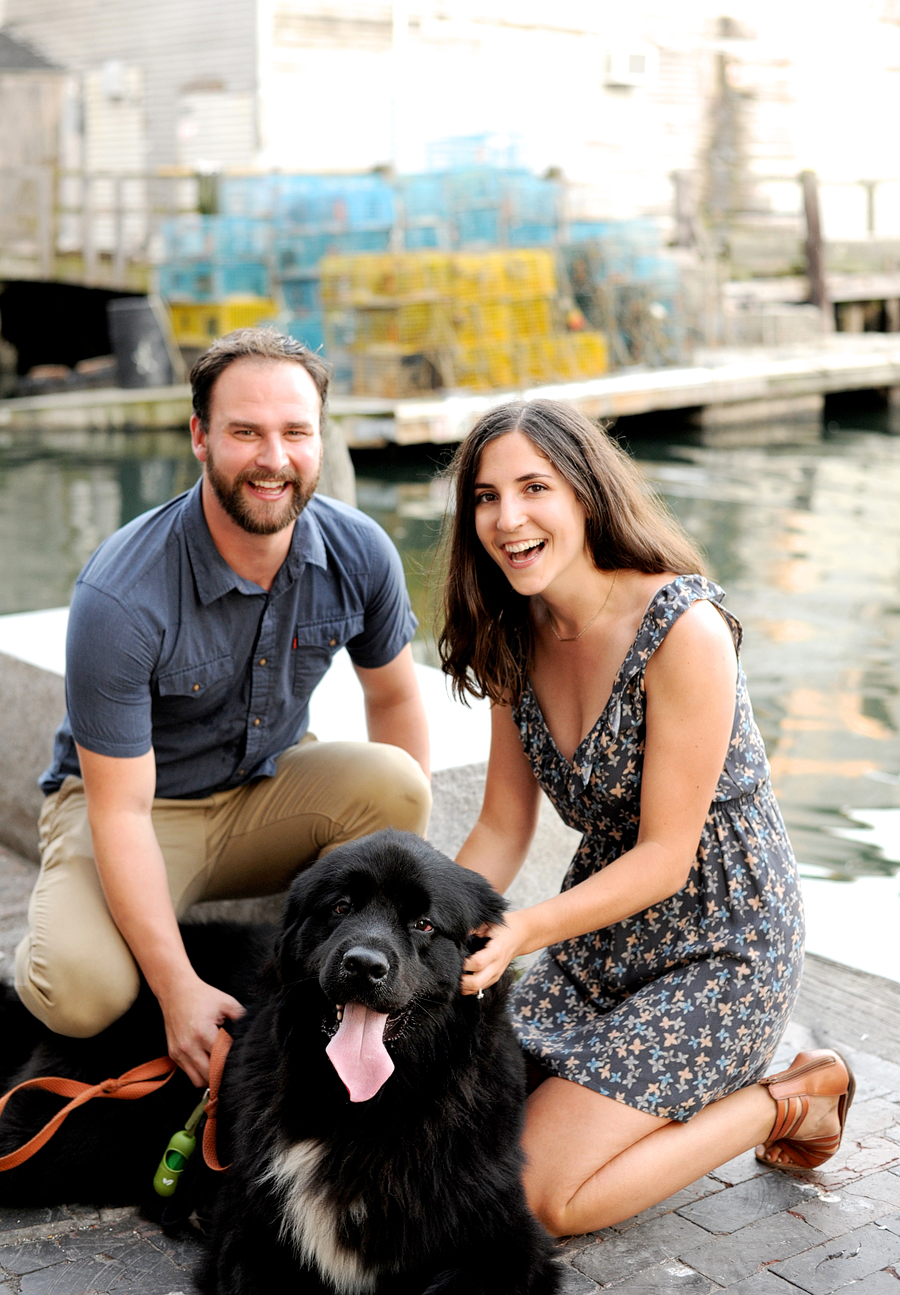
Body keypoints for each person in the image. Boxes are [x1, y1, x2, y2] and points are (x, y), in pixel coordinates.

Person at [438, 398, 854, 1236]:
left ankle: (794, 1095)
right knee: (452, 1132)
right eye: (486, 496)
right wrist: (425, 932)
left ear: (586, 494)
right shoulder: (512, 634)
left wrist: (523, 931)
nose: (508, 518)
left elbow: (667, 856)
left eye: (533, 488)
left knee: (537, 1199)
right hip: (604, 939)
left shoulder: (683, 628)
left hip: (724, 943)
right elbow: (502, 829)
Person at [16, 327, 431, 1088]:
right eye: (246, 431)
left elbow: (397, 697)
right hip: (139, 810)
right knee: (80, 992)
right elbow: (120, 812)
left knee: (397, 780)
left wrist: (402, 907)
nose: (273, 459)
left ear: (319, 438)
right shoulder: (121, 594)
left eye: (295, 432)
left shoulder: (362, 551)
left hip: (268, 789)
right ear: (201, 437)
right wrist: (177, 990)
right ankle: (67, 923)